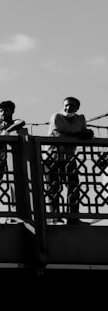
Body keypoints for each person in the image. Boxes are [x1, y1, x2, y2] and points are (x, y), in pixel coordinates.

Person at [47, 96, 93, 225]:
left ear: (77, 108)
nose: (68, 108)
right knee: (54, 188)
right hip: (53, 157)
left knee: (73, 188)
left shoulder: (80, 119)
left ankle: (73, 218)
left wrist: (86, 134)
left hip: (69, 158)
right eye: (66, 105)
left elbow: (87, 134)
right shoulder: (56, 117)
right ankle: (54, 217)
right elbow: (58, 135)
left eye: (72, 106)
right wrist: (80, 135)